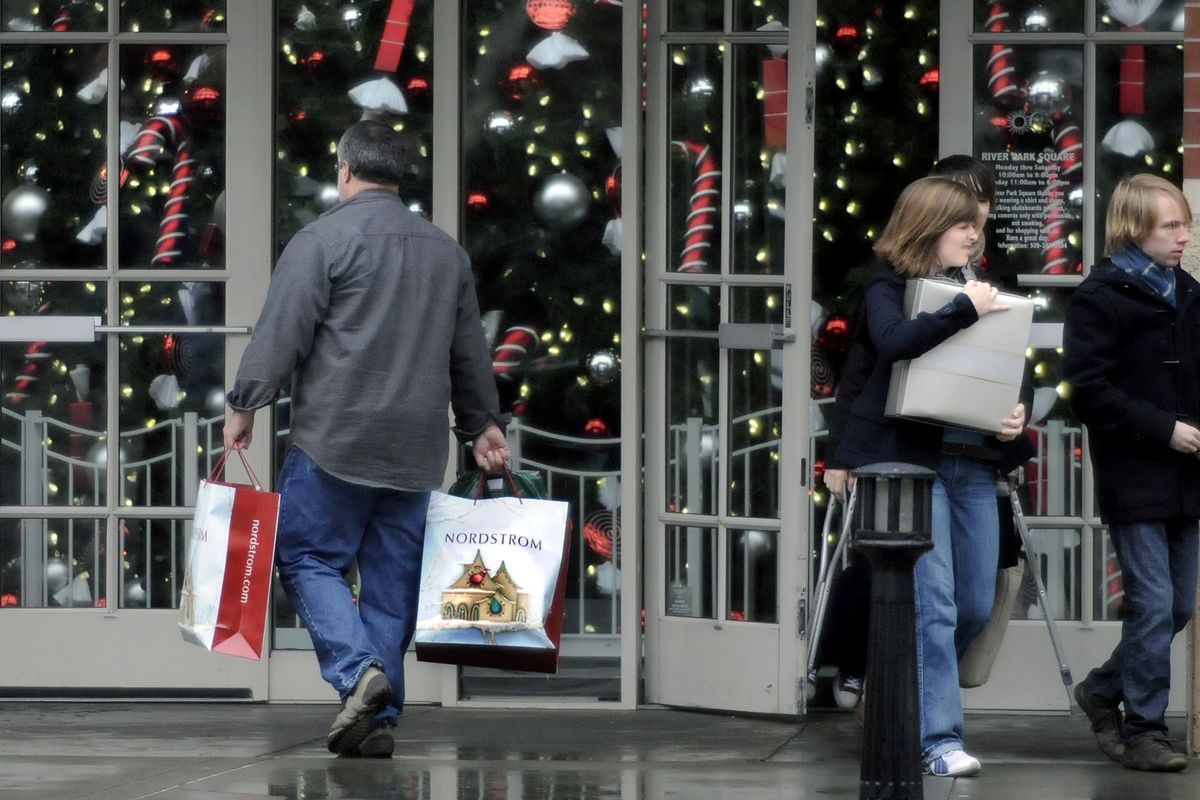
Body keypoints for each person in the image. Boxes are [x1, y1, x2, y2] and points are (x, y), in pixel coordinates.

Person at [223, 120, 511, 759]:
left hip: (334, 442)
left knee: (306, 559)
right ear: (398, 174)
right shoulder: (446, 252)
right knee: (389, 587)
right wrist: (482, 424)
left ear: (345, 170)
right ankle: (376, 724)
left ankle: (359, 676)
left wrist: (246, 404)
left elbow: (282, 332)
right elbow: (469, 353)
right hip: (414, 452)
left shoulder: (321, 240)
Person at [830, 176, 1029, 778]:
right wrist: (966, 307)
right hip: (911, 461)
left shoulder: (979, 286)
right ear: (929, 226)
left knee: (972, 602)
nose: (975, 233)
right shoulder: (889, 282)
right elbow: (893, 342)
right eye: (963, 223)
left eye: (977, 224)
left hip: (972, 458)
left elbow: (1000, 369)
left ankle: (894, 694)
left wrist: (1013, 417)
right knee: (934, 604)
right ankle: (937, 739)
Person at [1063, 174, 1200, 773]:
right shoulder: (1101, 297)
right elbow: (1089, 392)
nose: (1183, 236)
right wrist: (1162, 426)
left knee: (1178, 606)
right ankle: (1146, 730)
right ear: (1134, 227)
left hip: (1188, 476)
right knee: (1151, 602)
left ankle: (1100, 689)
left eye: (1185, 224)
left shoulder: (1189, 293)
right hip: (1135, 473)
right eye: (1171, 225)